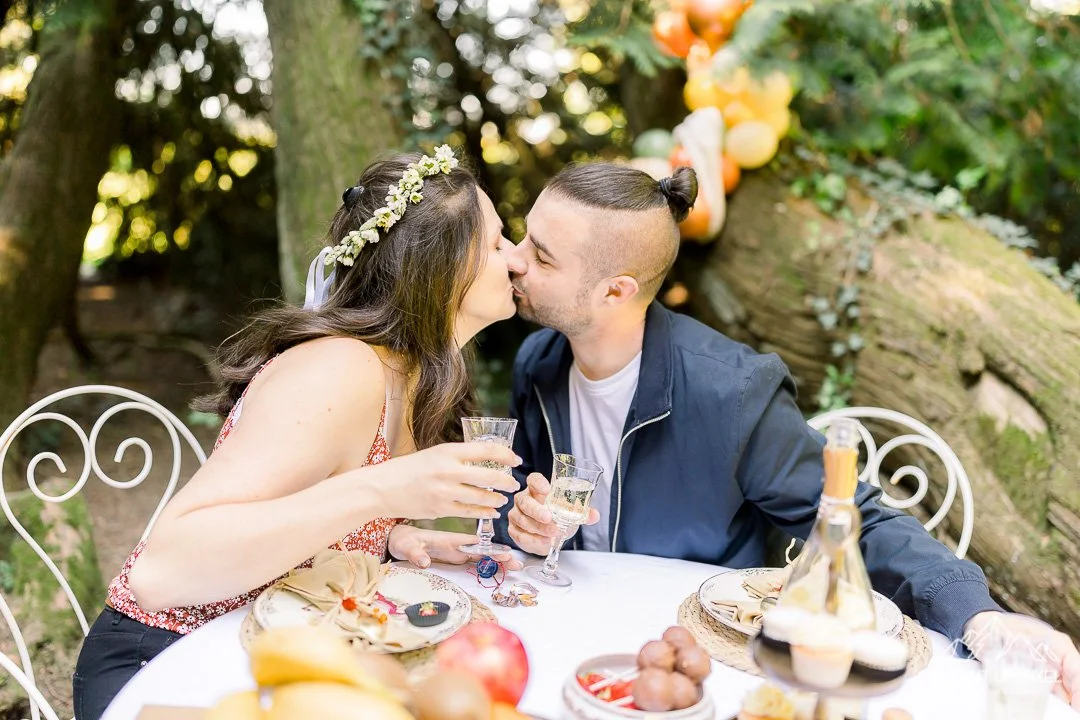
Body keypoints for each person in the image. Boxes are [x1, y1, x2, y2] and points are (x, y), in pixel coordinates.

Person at [494, 162, 1080, 708]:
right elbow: (522, 499)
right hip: (576, 629)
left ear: (615, 291)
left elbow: (856, 520)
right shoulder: (539, 360)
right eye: (525, 239)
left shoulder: (734, 393)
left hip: (701, 660)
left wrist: (980, 617)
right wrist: (525, 517)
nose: (514, 261)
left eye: (541, 257)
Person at [73, 147, 524, 720]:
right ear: (442, 269)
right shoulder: (339, 369)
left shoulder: (410, 378)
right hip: (167, 661)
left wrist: (391, 539)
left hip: (278, 653)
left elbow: (304, 506)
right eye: (495, 242)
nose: (515, 259)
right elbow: (163, 573)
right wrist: (383, 492)